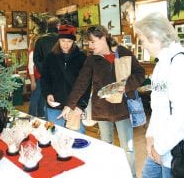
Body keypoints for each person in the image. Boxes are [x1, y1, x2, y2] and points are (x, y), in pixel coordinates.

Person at [58, 25, 145, 177]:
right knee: (106, 145)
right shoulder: (91, 59)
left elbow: (140, 73)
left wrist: (123, 86)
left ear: (103, 38)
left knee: (128, 147)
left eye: (93, 42)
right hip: (102, 109)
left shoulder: (123, 52)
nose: (90, 47)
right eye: (88, 43)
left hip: (123, 109)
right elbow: (81, 82)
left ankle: (131, 175)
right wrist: (69, 105)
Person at [134, 12, 184, 178]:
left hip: (181, 148)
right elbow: (159, 106)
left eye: (142, 40)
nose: (142, 45)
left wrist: (160, 146)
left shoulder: (181, 63)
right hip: (161, 142)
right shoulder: (162, 63)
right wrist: (150, 135)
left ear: (155, 38)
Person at [41, 24, 90, 133]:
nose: (66, 45)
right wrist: (48, 93)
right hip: (55, 105)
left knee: (77, 138)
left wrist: (80, 106)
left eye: (69, 41)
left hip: (74, 106)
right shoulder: (50, 57)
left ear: (73, 42)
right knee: (55, 136)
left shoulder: (82, 57)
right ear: (58, 40)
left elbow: (86, 84)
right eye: (63, 41)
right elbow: (45, 78)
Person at [33, 16, 60, 119]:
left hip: (46, 75)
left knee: (47, 100)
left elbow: (36, 59)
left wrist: (44, 71)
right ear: (58, 26)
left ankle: (49, 122)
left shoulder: (40, 40)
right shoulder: (62, 39)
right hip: (61, 75)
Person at [27, 34, 44, 117]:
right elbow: (30, 67)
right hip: (37, 78)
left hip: (41, 78)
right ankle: (31, 115)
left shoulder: (37, 51)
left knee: (41, 98)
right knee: (35, 98)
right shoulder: (33, 53)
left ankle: (41, 115)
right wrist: (33, 81)